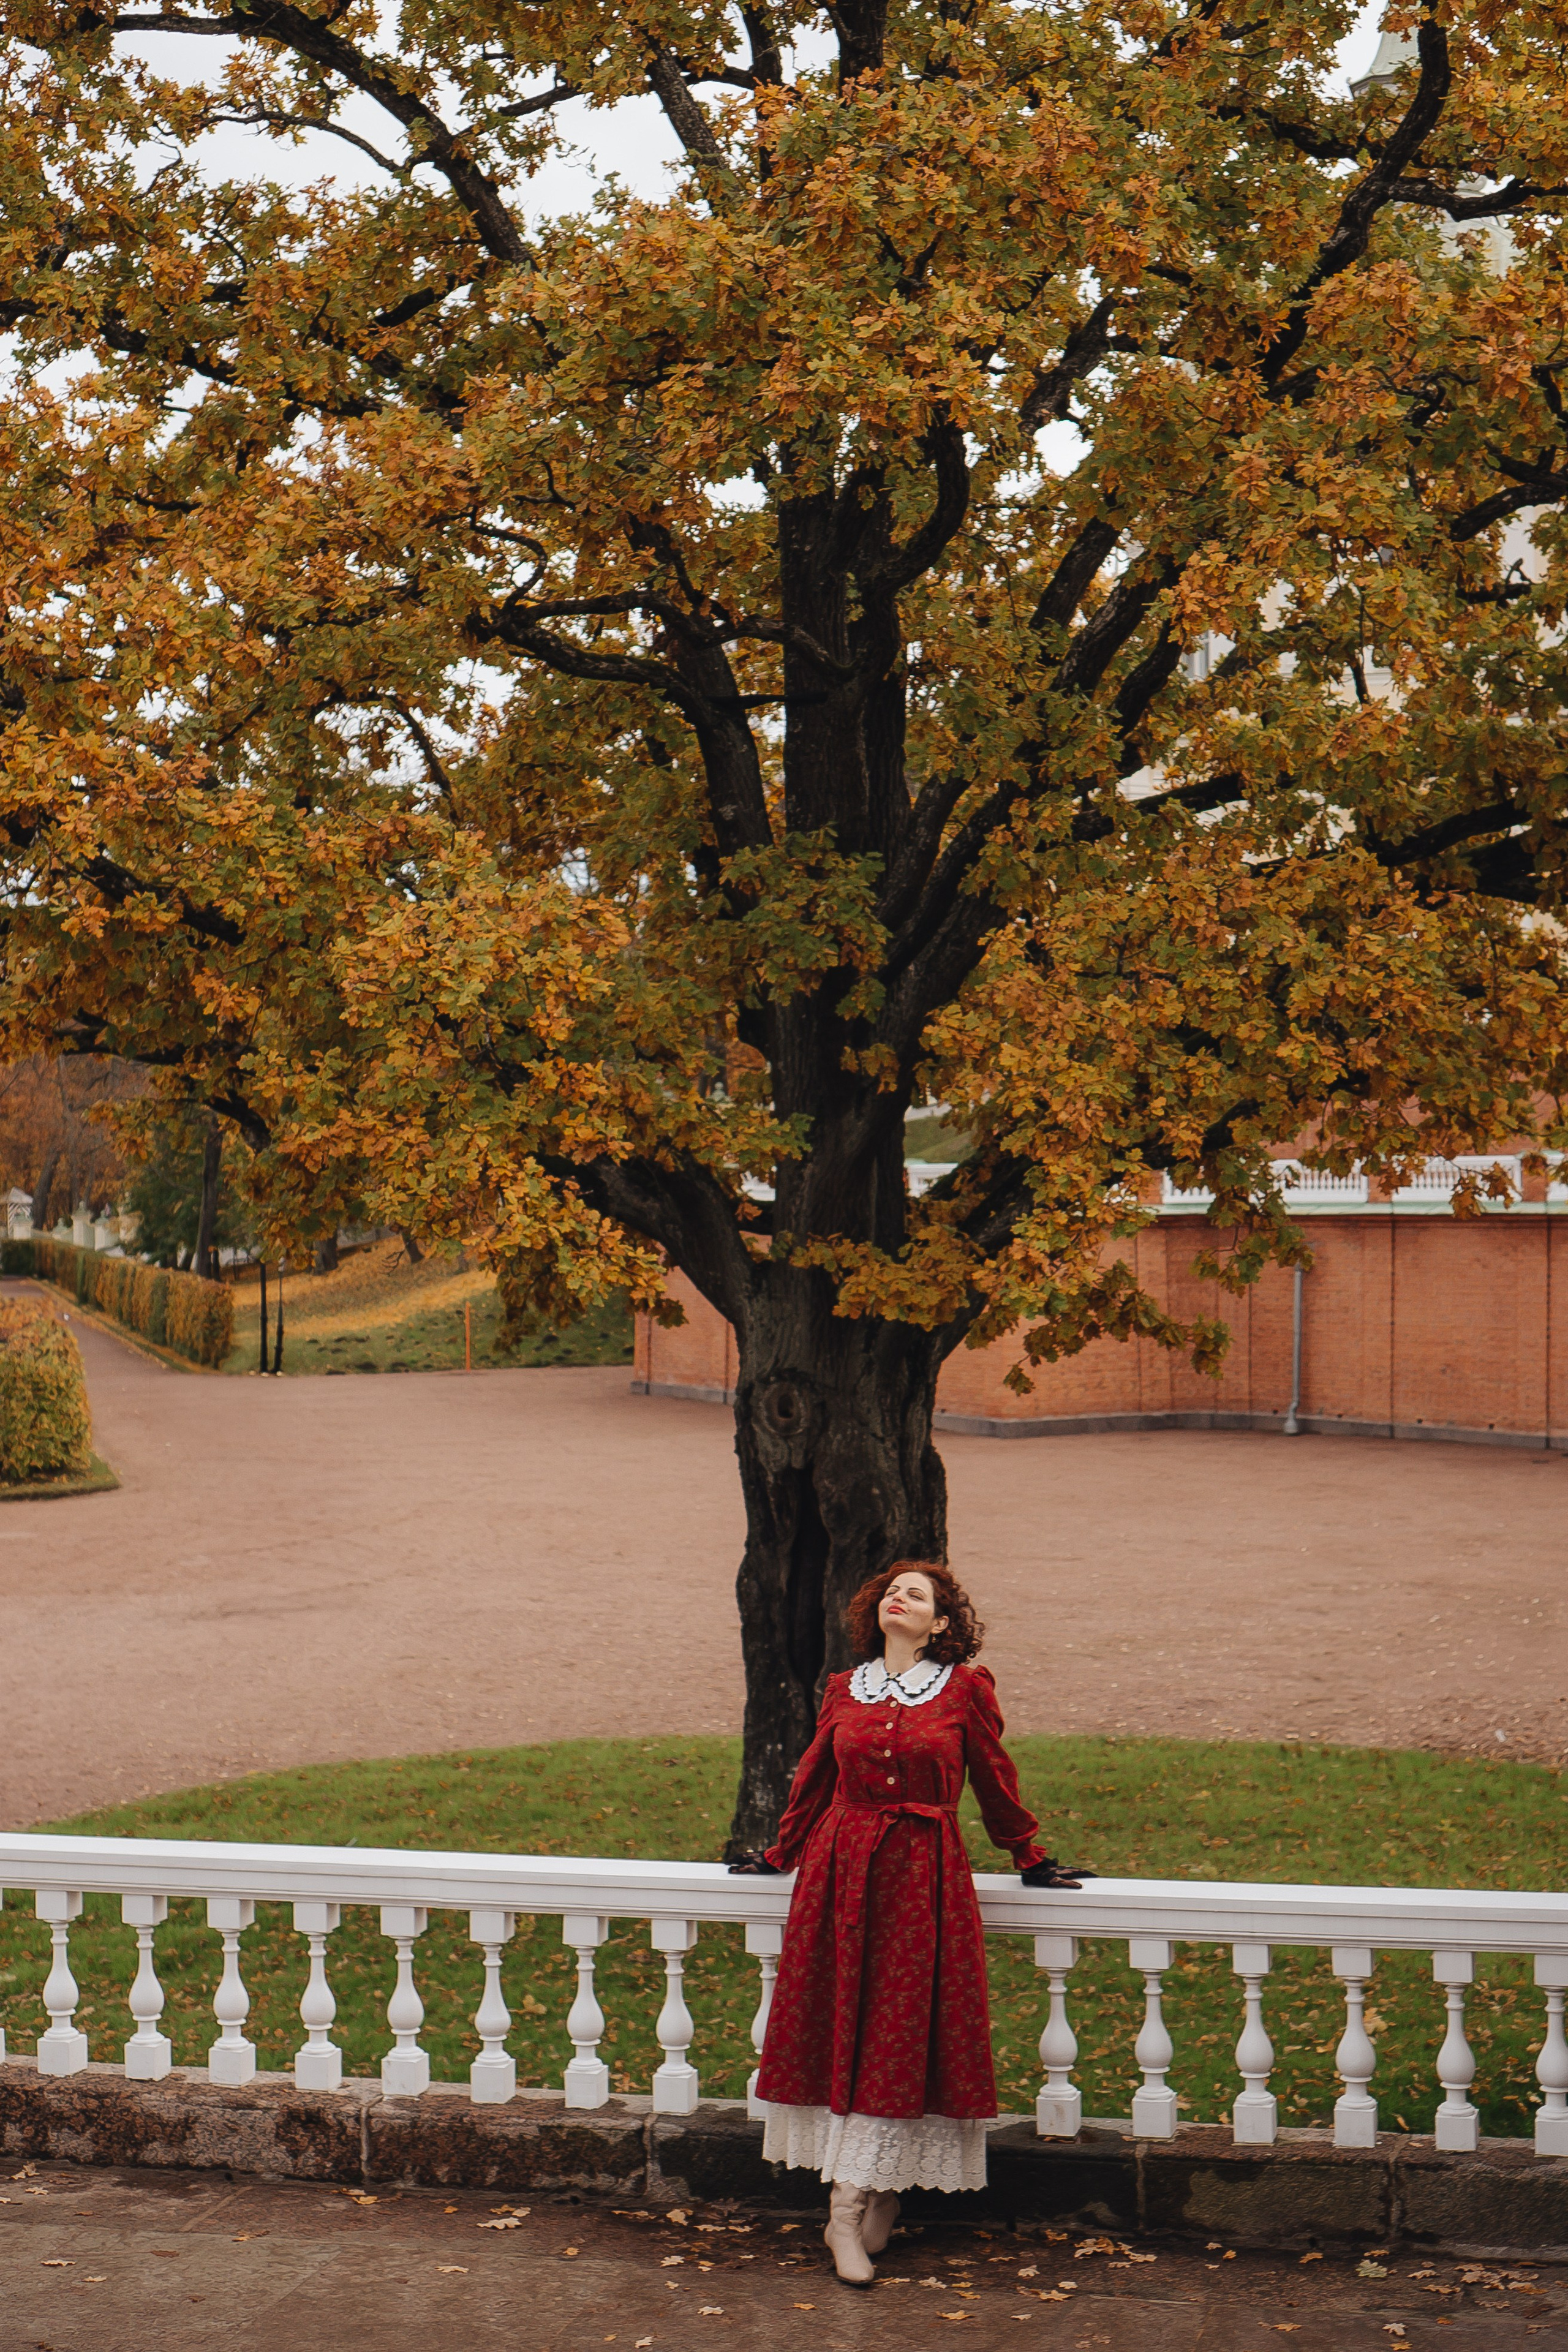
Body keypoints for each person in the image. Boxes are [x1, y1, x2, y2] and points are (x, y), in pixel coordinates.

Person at [729, 1559, 1090, 2287]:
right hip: (839, 1873)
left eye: (916, 1594)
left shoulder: (963, 1690)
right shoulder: (844, 1688)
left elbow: (994, 1777)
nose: (899, 1598)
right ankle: (861, 2205)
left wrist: (1029, 1855)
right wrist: (780, 1852)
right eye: (892, 1591)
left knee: (899, 2033)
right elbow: (813, 1779)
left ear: (941, 1622)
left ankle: (855, 2203)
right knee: (845, 2028)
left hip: (922, 1876)